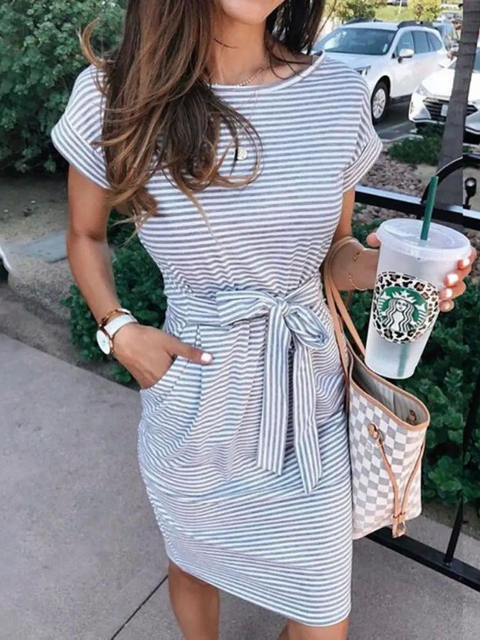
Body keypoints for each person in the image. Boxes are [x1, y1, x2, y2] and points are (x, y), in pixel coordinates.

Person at [49, 2, 476, 639]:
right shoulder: (114, 95)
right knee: (193, 560)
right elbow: (85, 234)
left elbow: (336, 255)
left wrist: (393, 270)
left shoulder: (337, 94)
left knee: (322, 609)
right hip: (195, 393)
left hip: (308, 400)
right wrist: (119, 330)